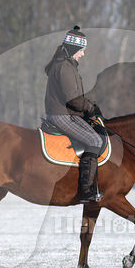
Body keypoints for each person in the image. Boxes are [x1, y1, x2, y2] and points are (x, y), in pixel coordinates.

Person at [44, 26, 104, 203]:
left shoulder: (67, 65)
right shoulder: (64, 67)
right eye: (81, 50)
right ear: (73, 49)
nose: (83, 55)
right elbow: (73, 100)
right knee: (95, 141)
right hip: (61, 115)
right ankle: (85, 190)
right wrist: (91, 109)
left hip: (68, 114)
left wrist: (90, 106)